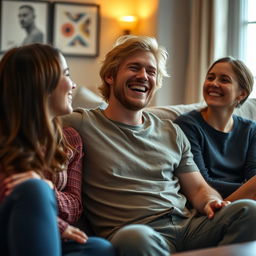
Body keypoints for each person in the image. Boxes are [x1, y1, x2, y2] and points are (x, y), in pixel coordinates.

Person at [63, 35, 256, 255]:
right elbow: (32, 125)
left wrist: (211, 201)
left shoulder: (171, 130)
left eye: (151, 71)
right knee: (135, 237)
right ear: (110, 76)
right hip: (138, 232)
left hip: (187, 227)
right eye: (134, 67)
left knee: (249, 211)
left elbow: (198, 189)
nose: (143, 76)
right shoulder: (81, 123)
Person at [0, 43, 116, 256]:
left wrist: (48, 188)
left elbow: (74, 207)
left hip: (45, 233)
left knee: (101, 248)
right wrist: (56, 221)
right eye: (66, 75)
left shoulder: (71, 140)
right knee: (34, 190)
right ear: (41, 82)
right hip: (7, 232)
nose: (73, 85)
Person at [174, 56, 256, 202]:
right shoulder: (186, 125)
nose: (213, 84)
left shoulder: (251, 130)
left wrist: (249, 189)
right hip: (206, 205)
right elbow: (202, 183)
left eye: (224, 80)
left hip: (244, 202)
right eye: (210, 78)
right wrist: (247, 188)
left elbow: (252, 175)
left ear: (241, 94)